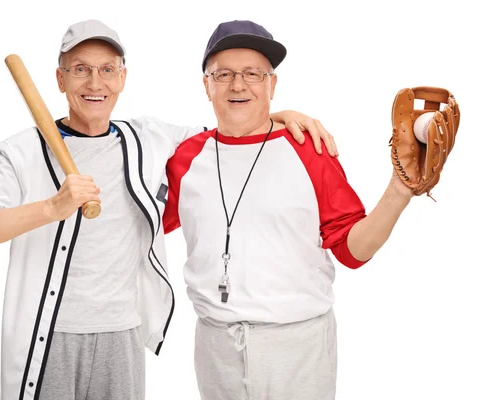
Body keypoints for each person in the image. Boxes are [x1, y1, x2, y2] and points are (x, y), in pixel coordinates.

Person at [0, 19, 335, 400]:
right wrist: (53, 206)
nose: (95, 83)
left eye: (107, 70)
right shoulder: (20, 151)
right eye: (81, 70)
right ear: (60, 78)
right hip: (49, 332)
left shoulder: (150, 139)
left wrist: (283, 115)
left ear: (122, 77)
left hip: (123, 333)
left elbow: (234, 128)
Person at [163, 20, 419, 400]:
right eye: (224, 74)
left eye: (253, 73)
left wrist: (401, 188)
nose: (237, 84)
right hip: (215, 346)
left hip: (298, 346)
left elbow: (352, 250)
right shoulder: (185, 156)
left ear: (272, 84)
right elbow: (139, 222)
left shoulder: (309, 149)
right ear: (206, 85)